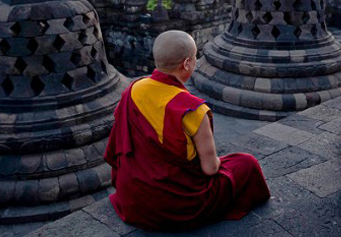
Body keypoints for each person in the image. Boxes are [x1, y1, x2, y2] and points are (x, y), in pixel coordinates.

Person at [104, 30, 270, 231]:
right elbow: (210, 168)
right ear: (186, 64)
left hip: (133, 199)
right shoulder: (194, 110)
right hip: (177, 205)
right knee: (247, 163)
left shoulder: (134, 89)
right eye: (195, 58)